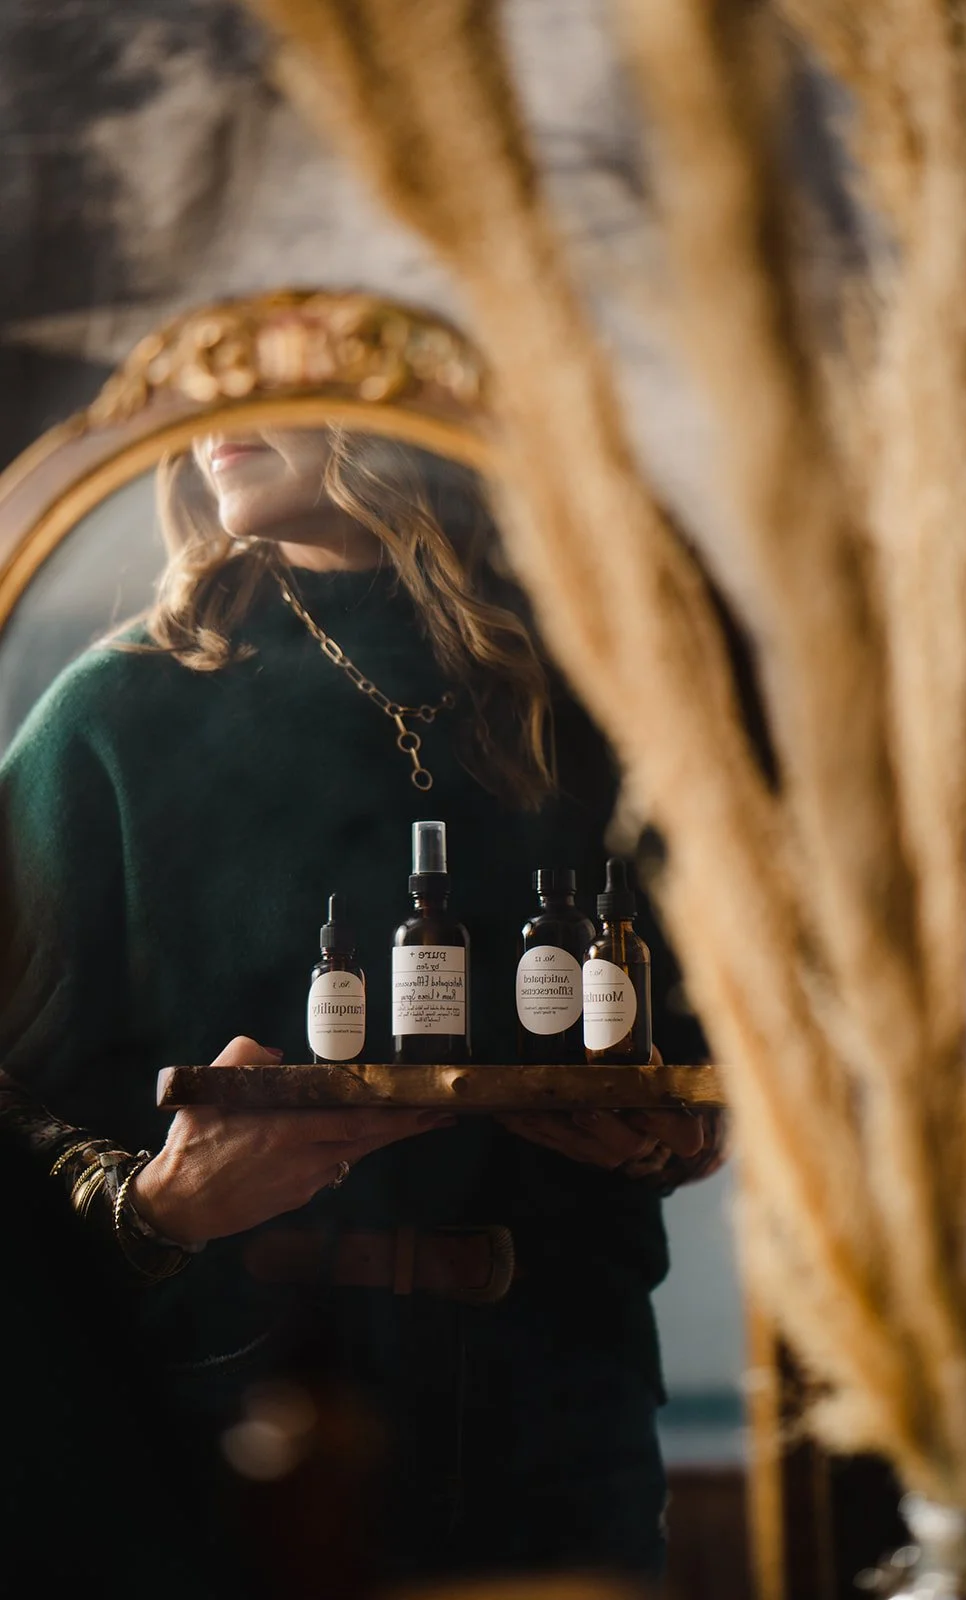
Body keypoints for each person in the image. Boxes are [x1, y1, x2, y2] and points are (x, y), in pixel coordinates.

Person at [0, 425, 724, 1589]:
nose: (220, 404)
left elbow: (721, 1022)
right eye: (204, 369)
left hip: (563, 1400)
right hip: (236, 1415)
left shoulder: (607, 682)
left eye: (277, 345)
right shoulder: (116, 711)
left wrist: (675, 1128)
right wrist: (148, 1204)